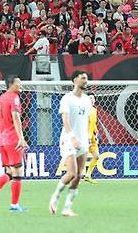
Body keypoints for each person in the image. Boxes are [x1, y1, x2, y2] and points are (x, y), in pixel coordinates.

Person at [50, 70, 92, 217]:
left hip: (83, 140)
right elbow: (65, 121)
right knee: (72, 173)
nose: (86, 81)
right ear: (75, 80)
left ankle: (67, 208)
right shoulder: (67, 99)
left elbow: (86, 120)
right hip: (68, 139)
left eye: (86, 78)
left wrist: (88, 139)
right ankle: (55, 196)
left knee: (79, 175)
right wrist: (72, 137)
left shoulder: (87, 100)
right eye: (83, 78)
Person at [0, 75, 28, 213]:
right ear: (11, 84)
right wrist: (21, 137)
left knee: (10, 171)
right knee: (18, 172)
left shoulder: (2, 97)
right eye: (18, 83)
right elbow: (15, 116)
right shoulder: (14, 97)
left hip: (2, 139)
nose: (21, 86)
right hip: (12, 139)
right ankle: (14, 206)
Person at [83, 94, 99, 184]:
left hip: (92, 137)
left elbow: (93, 124)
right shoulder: (84, 110)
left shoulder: (94, 110)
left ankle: (88, 175)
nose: (92, 99)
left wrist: (96, 133)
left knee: (96, 156)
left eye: (93, 98)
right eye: (90, 98)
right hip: (85, 137)